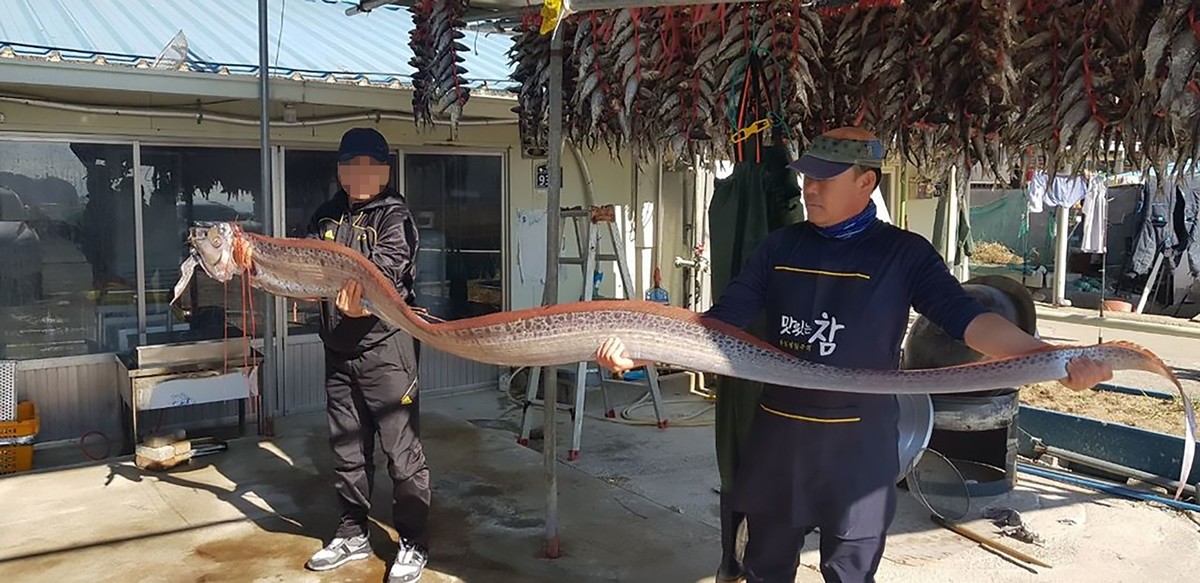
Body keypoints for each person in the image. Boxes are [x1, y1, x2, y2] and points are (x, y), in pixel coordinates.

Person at [595, 126, 1113, 583]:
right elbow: (720, 324)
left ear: (866, 183)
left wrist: (1052, 359)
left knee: (850, 570)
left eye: (825, 178)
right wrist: (641, 353)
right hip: (780, 439)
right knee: (765, 566)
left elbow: (970, 321)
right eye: (807, 176)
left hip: (858, 445)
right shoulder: (779, 248)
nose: (809, 188)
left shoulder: (903, 254)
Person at [303, 127, 430, 583]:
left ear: (385, 171)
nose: (359, 175)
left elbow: (389, 273)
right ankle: (352, 533)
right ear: (339, 170)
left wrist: (365, 301)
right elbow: (308, 268)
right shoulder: (324, 217)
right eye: (350, 165)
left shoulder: (395, 217)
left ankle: (413, 542)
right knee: (347, 450)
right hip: (339, 352)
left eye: (369, 166)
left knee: (402, 452)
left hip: (386, 350)